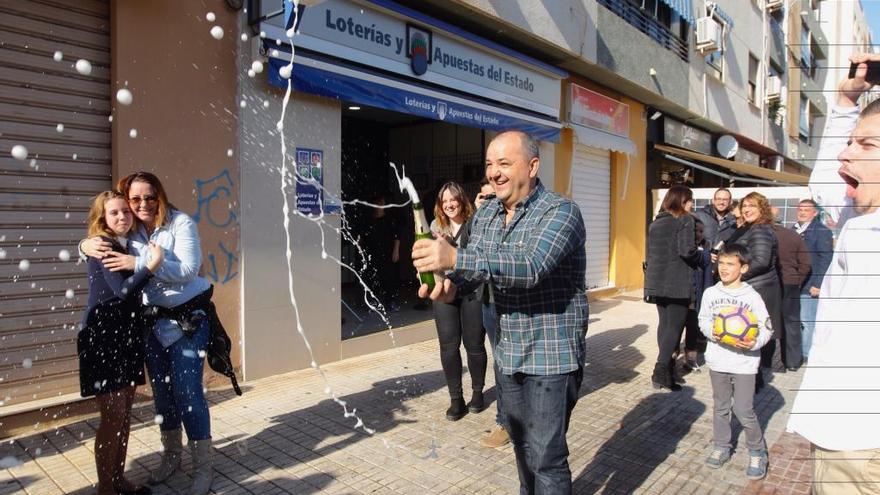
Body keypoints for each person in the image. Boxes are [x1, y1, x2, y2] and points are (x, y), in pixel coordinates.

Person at [411, 130, 588, 493]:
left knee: (546, 457)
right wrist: (449, 285)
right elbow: (474, 271)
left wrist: (456, 256)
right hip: (508, 355)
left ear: (533, 166)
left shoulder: (561, 212)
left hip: (551, 355)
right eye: (490, 164)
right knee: (522, 448)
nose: (494, 172)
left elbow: (531, 265)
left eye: (504, 163)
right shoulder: (489, 212)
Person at [80, 172, 215, 495]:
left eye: (149, 197)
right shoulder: (131, 227)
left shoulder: (179, 223)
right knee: (163, 396)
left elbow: (187, 270)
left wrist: (139, 261)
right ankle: (171, 457)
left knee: (188, 394)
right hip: (149, 325)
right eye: (134, 199)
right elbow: (102, 242)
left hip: (187, 322)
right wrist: (84, 244)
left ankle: (203, 470)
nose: (141, 204)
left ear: (160, 196)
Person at [788, 53, 880, 493]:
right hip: (839, 442)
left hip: (863, 451)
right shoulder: (862, 219)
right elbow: (828, 184)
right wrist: (845, 104)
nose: (847, 152)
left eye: (867, 145)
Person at [79, 191, 162, 495]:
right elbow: (124, 291)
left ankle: (118, 479)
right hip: (102, 339)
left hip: (125, 338)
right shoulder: (102, 245)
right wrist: (151, 266)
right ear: (102, 218)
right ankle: (106, 488)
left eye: (126, 212)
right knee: (112, 416)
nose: (122, 217)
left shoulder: (125, 244)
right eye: (114, 213)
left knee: (125, 414)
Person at [699, 244, 772, 480]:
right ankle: (721, 447)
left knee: (743, 409)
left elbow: (767, 328)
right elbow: (703, 320)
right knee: (720, 408)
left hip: (744, 363)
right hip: (718, 361)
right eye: (721, 263)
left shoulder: (752, 297)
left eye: (730, 264)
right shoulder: (711, 293)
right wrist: (713, 333)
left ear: (744, 268)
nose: (724, 268)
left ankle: (757, 451)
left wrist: (753, 343)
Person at [429, 181, 487, 421]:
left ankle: (477, 393)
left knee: (474, 345)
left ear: (462, 200)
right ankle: (456, 399)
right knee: (448, 346)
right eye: (445, 201)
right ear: (440, 206)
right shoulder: (435, 226)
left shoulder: (476, 223)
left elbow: (479, 256)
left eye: (453, 199)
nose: (449, 204)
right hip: (445, 290)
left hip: (472, 290)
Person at [715, 192, 783, 384]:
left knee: (751, 336)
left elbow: (761, 261)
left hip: (758, 289)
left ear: (762, 208)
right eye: (744, 206)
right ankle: (751, 380)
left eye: (752, 206)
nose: (747, 210)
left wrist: (734, 276)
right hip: (755, 286)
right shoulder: (752, 227)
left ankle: (752, 382)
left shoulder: (760, 229)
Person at [644, 185, 701, 391]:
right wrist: (702, 256)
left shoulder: (656, 223)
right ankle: (660, 371)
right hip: (677, 281)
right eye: (690, 200)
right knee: (675, 327)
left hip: (656, 280)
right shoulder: (684, 219)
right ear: (682, 200)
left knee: (665, 324)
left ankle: (666, 371)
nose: (692, 205)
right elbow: (687, 251)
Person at [473, 179, 511, 448]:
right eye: (484, 197)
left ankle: (509, 420)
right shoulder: (479, 221)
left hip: (510, 303)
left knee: (507, 362)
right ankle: (505, 421)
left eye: (492, 198)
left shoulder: (511, 221)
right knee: (500, 361)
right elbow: (468, 255)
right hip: (488, 301)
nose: (488, 201)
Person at [769, 207, 811, 371]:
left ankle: (765, 361)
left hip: (772, 283)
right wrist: (797, 279)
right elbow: (806, 262)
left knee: (769, 321)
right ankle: (793, 362)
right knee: (791, 322)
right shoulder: (793, 235)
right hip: (791, 283)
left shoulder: (764, 235)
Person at [792, 199, 832, 361]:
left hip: (810, 285)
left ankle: (807, 354)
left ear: (815, 213)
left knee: (807, 322)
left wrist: (818, 284)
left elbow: (826, 259)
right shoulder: (793, 230)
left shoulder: (821, 231)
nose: (802, 212)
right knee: (796, 321)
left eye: (806, 210)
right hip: (793, 284)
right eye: (800, 209)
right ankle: (796, 353)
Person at [682, 218, 712, 372]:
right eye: (696, 231)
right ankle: (671, 358)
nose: (699, 234)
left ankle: (691, 359)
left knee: (693, 328)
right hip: (682, 294)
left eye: (701, 231)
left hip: (697, 294)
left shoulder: (706, 247)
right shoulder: (684, 247)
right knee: (677, 328)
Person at [362, 193, 401, 312]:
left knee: (389, 278)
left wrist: (396, 251)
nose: (380, 206)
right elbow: (363, 237)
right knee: (372, 278)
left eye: (382, 203)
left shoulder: (390, 219)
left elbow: (397, 236)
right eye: (377, 203)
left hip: (388, 253)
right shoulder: (368, 220)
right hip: (372, 253)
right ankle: (372, 302)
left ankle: (390, 302)